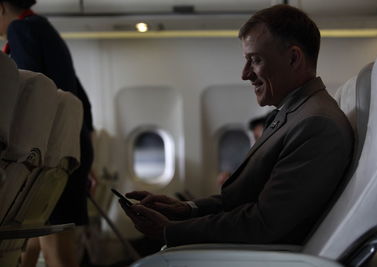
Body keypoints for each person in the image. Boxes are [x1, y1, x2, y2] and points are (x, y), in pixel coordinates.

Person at [120, 4, 354, 247]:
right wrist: (185, 209)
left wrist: (170, 231)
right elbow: (241, 199)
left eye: (255, 60)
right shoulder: (292, 115)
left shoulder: (316, 125)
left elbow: (264, 223)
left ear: (294, 58)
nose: (245, 74)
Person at [0, 0, 94, 266]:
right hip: (68, 145)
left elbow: (30, 92)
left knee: (56, 251)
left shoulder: (20, 29)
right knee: (36, 238)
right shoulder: (42, 27)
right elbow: (81, 100)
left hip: (45, 148)